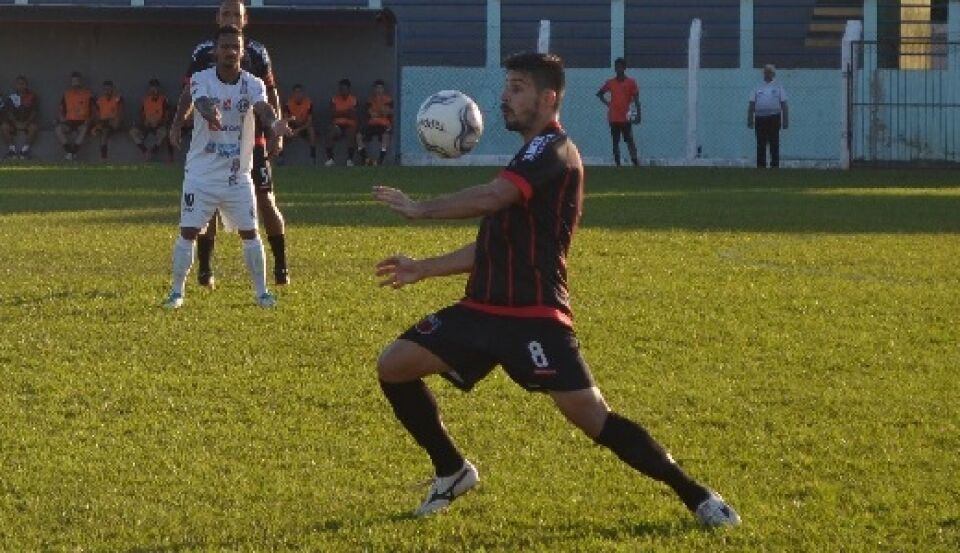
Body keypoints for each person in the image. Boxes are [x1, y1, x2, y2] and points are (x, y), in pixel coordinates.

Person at [371, 52, 741, 527]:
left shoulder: (554, 153)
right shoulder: (526, 155)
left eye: (518, 87)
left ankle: (697, 496)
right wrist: (424, 268)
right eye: (506, 86)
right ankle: (452, 471)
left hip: (534, 317)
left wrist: (420, 209)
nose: (505, 97)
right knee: (395, 366)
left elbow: (492, 197)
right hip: (482, 309)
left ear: (548, 98)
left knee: (594, 418)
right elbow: (493, 242)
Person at [162, 25, 292, 310]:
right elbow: (200, 100)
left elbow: (263, 108)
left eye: (236, 47)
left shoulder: (252, 83)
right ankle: (176, 291)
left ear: (242, 52)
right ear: (215, 51)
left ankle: (262, 292)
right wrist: (207, 114)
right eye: (225, 46)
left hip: (237, 175)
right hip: (201, 175)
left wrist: (274, 125)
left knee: (250, 233)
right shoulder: (202, 79)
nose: (230, 51)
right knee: (188, 231)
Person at [596, 57, 640, 167]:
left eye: (620, 66)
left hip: (626, 116)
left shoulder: (631, 82)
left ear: (624, 68)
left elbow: (635, 100)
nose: (618, 69)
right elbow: (600, 94)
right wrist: (608, 104)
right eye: (616, 67)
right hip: (614, 117)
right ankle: (617, 163)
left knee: (629, 139)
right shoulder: (610, 82)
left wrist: (637, 114)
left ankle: (635, 161)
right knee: (615, 141)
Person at [747, 64, 789, 168]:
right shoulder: (757, 86)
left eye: (769, 72)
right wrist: (750, 119)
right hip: (760, 118)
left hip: (774, 118)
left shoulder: (778, 86)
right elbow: (752, 104)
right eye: (765, 72)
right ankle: (761, 166)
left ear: (773, 74)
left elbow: (784, 105)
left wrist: (785, 120)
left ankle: (774, 165)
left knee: (774, 142)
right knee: (760, 143)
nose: (767, 74)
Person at [130, 78, 173, 162]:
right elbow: (141, 114)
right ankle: (145, 151)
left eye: (155, 87)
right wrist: (144, 122)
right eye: (152, 87)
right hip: (147, 125)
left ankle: (152, 152)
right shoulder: (145, 100)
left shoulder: (164, 100)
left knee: (165, 133)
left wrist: (159, 122)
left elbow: (167, 116)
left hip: (159, 125)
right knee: (132, 132)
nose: (153, 89)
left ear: (159, 88)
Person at [55, 71, 95, 161]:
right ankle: (69, 151)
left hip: (82, 121)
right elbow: (60, 109)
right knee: (58, 129)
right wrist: (62, 118)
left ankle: (73, 152)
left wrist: (89, 120)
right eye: (73, 81)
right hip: (69, 121)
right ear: (71, 82)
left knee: (84, 129)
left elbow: (94, 111)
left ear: (80, 81)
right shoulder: (66, 94)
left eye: (77, 80)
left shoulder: (88, 94)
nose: (75, 83)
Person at [1, 75, 39, 160]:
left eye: (23, 84)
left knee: (34, 127)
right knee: (4, 126)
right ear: (16, 85)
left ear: (26, 85)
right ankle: (12, 151)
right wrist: (16, 123)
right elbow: (9, 113)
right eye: (19, 84)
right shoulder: (11, 97)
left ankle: (24, 151)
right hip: (14, 124)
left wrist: (26, 123)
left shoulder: (32, 96)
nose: (21, 86)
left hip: (27, 123)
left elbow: (34, 112)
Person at [357, 79, 393, 166]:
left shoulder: (388, 99)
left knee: (385, 136)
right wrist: (379, 112)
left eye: (380, 88)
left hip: (384, 124)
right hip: (372, 124)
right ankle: (365, 159)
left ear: (383, 89)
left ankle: (380, 160)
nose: (378, 90)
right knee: (358, 136)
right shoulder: (370, 100)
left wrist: (379, 111)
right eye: (377, 88)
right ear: (374, 89)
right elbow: (371, 113)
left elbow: (387, 113)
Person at [324, 78, 357, 167]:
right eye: (341, 89)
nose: (342, 91)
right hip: (337, 125)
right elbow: (332, 114)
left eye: (344, 89)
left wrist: (339, 112)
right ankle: (330, 159)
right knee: (330, 132)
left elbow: (353, 115)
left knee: (351, 132)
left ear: (349, 89)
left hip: (349, 125)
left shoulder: (353, 99)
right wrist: (346, 112)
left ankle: (350, 160)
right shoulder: (334, 99)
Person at [91, 80, 125, 161]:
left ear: (112, 89)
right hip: (104, 123)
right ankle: (103, 157)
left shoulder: (117, 99)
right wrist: (98, 124)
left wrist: (116, 121)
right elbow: (97, 116)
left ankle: (103, 158)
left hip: (114, 123)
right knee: (96, 131)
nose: (107, 91)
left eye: (109, 88)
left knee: (105, 131)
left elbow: (121, 113)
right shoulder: (100, 100)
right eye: (105, 89)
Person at [283, 83, 317, 163]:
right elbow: (285, 120)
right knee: (282, 133)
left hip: (304, 126)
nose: (298, 95)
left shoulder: (308, 103)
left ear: (303, 93)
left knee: (311, 130)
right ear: (293, 94)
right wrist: (290, 129)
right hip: (293, 126)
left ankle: (313, 158)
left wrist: (299, 130)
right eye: (296, 92)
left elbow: (309, 122)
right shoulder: (288, 104)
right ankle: (280, 157)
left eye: (300, 92)